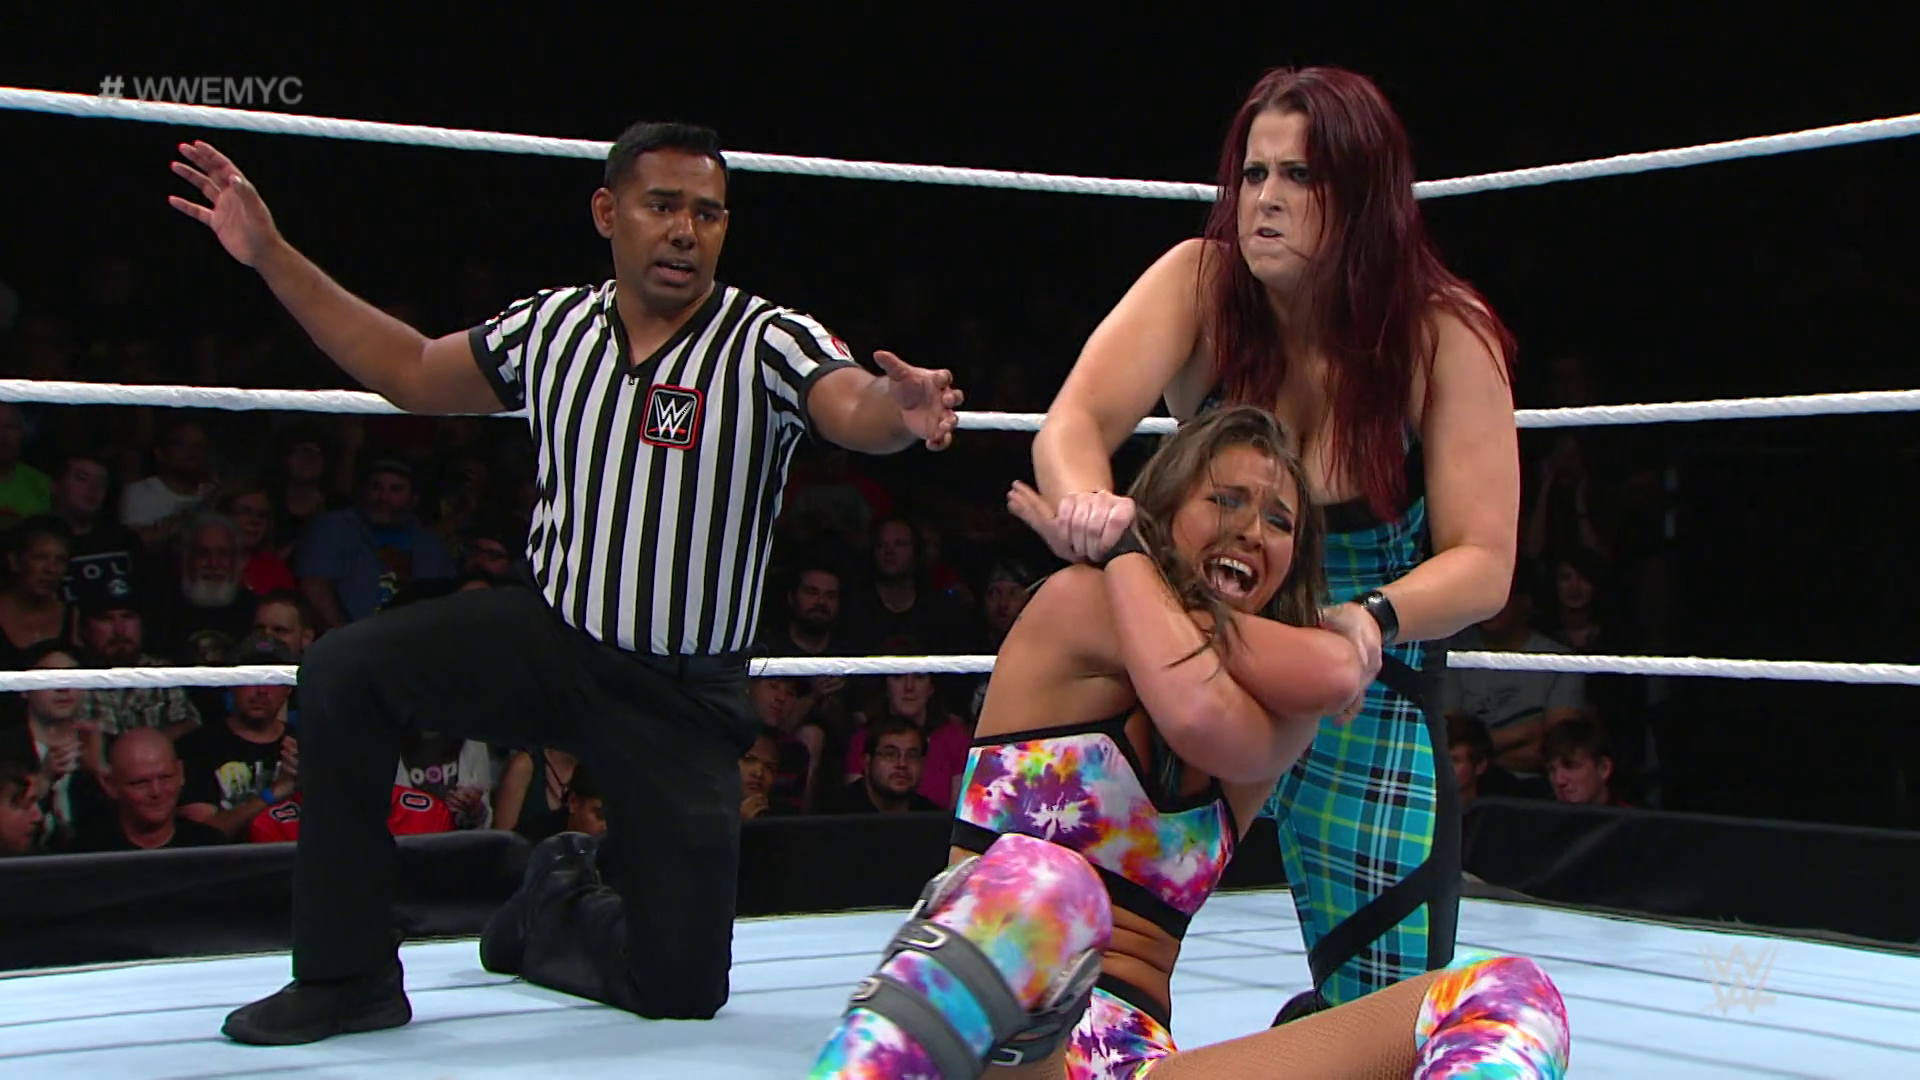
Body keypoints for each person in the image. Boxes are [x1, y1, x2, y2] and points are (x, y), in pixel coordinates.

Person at [167, 120, 963, 1045]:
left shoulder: (765, 339)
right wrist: (271, 254)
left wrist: (900, 411)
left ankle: (553, 896)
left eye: (707, 214)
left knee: (680, 985)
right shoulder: (554, 327)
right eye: (662, 206)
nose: (684, 231)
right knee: (346, 669)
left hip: (679, 693)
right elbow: (411, 370)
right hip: (550, 641)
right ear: (607, 213)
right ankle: (346, 976)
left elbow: (850, 402)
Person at [810, 406, 1567, 1078]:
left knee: (1511, 993)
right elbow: (1233, 691)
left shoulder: (1279, 696)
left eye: (1280, 521)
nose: (1250, 530)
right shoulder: (1078, 603)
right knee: (1047, 885)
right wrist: (1129, 562)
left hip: (1135, 1060)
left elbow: (1230, 707)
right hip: (998, 1046)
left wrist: (1128, 551)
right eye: (1225, 499)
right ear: (1168, 508)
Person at [1029, 65, 1520, 1019]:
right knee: (1069, 966)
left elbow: (1485, 562)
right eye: (1254, 175)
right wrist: (1096, 514)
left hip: (1360, 690)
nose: (1265, 200)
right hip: (1192, 660)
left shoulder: (1441, 335)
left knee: (1386, 1026)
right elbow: (1072, 423)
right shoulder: (1202, 284)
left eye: (1299, 177)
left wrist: (1371, 617)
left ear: (1364, 194)